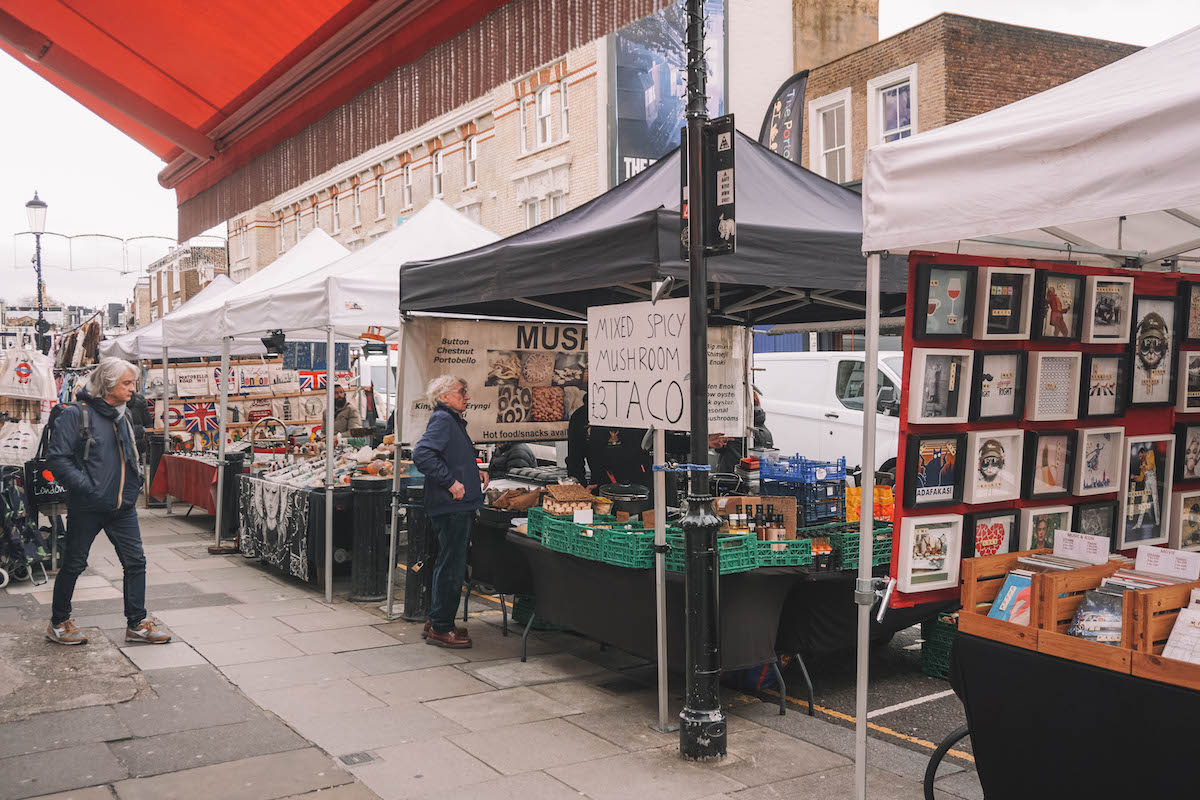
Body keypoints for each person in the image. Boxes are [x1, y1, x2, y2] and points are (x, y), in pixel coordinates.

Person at [45, 358, 170, 646]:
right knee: (74, 563)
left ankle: (137, 624)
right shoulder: (76, 414)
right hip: (88, 505)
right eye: (127, 383)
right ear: (108, 384)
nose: (133, 389)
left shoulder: (122, 414)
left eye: (133, 382)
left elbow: (130, 457)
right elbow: (58, 459)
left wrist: (134, 485)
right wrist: (87, 487)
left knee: (136, 562)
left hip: (122, 506)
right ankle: (58, 622)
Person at [412, 375, 488, 648]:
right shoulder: (444, 420)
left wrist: (472, 472)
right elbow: (422, 455)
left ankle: (437, 620)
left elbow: (448, 456)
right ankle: (442, 628)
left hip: (453, 505)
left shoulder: (449, 420)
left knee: (447, 564)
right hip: (452, 506)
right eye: (461, 392)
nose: (466, 396)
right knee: (452, 567)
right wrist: (452, 483)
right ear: (444, 397)